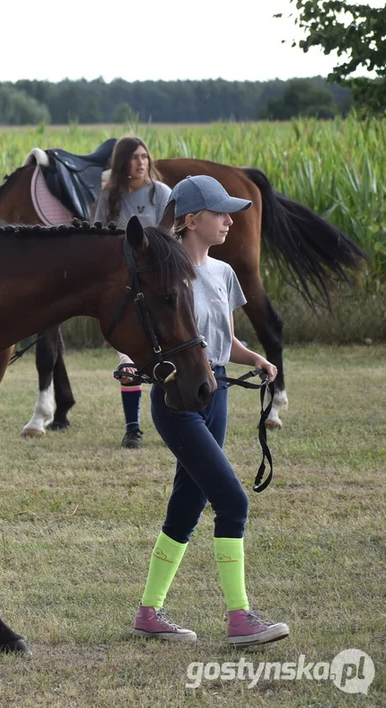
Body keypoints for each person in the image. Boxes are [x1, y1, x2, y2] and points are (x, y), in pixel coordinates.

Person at [132, 175, 289, 647]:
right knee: (233, 500)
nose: (230, 219)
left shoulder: (223, 273)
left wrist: (257, 358)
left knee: (188, 504)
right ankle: (240, 617)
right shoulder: (168, 275)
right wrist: (130, 365)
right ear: (192, 220)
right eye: (221, 212)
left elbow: (223, 340)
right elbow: (153, 329)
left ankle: (148, 613)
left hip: (215, 392)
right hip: (177, 399)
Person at [92, 136, 173, 449]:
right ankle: (133, 429)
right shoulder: (108, 198)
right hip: (126, 292)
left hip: (158, 289)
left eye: (145, 156)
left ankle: (174, 420)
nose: (141, 162)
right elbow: (98, 239)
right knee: (128, 362)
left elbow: (173, 242)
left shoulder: (160, 194)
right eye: (134, 157)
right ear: (122, 163)